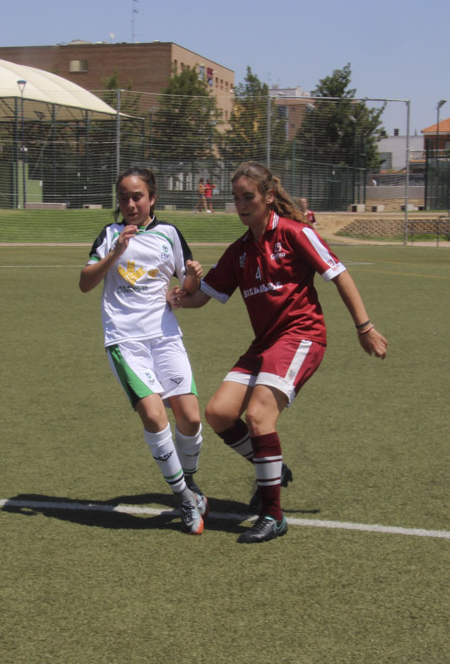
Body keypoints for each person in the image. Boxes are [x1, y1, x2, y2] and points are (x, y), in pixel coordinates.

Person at [171, 162, 388, 544]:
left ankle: (273, 515)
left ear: (268, 196)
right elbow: (201, 296)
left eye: (248, 197)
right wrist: (174, 297)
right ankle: (269, 466)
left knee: (258, 415)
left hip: (302, 337)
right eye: (235, 198)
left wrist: (364, 327)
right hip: (265, 344)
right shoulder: (239, 251)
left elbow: (339, 274)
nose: (240, 205)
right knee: (219, 413)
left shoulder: (294, 233)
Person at [79, 167, 207, 535]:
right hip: (125, 341)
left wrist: (193, 277)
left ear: (152, 198)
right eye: (124, 197)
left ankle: (190, 481)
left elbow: (187, 286)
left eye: (137, 196)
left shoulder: (169, 234)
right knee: (154, 417)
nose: (130, 204)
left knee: (191, 418)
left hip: (165, 336)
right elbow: (85, 283)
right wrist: (115, 252)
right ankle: (183, 497)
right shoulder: (109, 235)